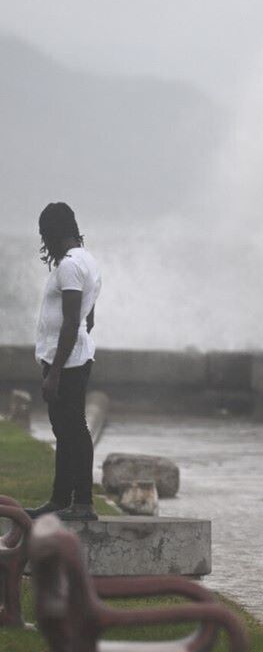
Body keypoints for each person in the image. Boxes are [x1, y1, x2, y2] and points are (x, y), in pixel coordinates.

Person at [24, 203, 102, 521]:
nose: (45, 243)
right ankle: (61, 499)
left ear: (54, 233)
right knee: (66, 429)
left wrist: (54, 372)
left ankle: (81, 502)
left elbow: (72, 322)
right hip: (74, 357)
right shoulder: (88, 260)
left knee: (74, 429)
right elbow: (89, 316)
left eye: (45, 235)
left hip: (67, 362)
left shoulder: (69, 265)